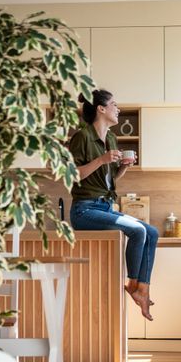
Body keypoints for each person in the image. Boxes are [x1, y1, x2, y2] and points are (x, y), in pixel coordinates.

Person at [69, 89, 158, 321]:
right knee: (138, 231)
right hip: (84, 210)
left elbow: (109, 180)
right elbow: (73, 175)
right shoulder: (81, 137)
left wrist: (123, 167)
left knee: (152, 232)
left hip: (105, 206)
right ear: (101, 109)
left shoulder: (110, 138)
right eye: (114, 104)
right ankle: (133, 284)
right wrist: (102, 159)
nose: (118, 109)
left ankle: (141, 288)